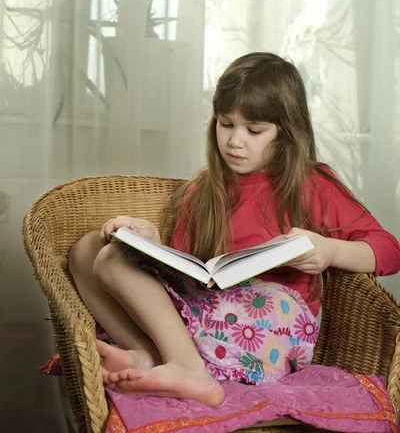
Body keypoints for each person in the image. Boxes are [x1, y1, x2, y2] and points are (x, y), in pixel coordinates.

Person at [68, 52, 400, 407]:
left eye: (254, 130)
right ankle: (151, 355)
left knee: (110, 262)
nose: (235, 141)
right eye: (226, 124)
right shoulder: (203, 190)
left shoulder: (310, 183)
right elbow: (185, 272)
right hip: (211, 316)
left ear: (286, 132)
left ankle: (181, 365)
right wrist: (146, 240)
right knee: (89, 251)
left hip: (268, 333)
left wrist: (330, 251)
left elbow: (389, 250)